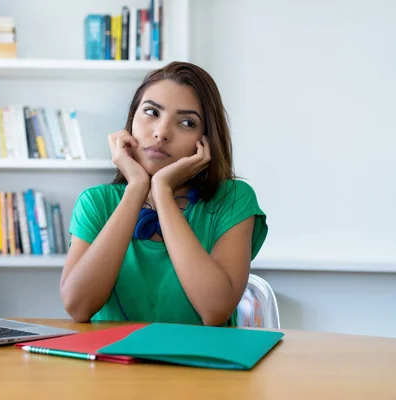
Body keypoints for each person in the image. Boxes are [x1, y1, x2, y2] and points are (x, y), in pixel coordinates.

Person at [59, 61, 268, 326]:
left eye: (186, 122)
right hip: (110, 364)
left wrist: (162, 191)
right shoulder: (96, 202)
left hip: (201, 365)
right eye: (151, 112)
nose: (161, 133)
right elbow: (78, 307)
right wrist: (136, 188)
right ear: (131, 121)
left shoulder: (233, 200)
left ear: (205, 140)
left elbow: (215, 310)